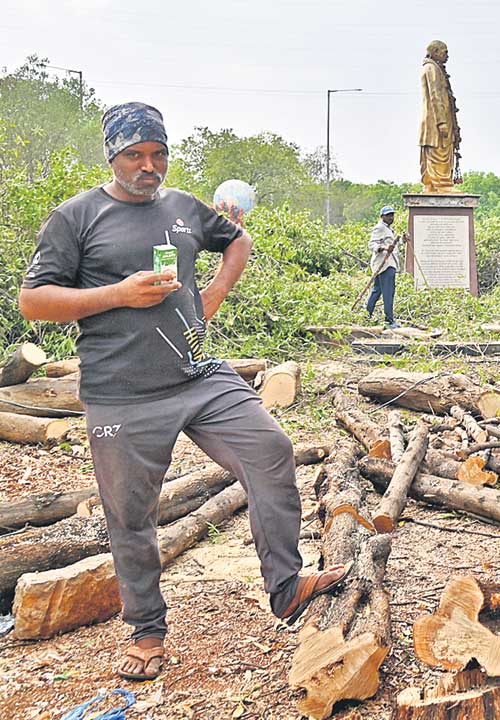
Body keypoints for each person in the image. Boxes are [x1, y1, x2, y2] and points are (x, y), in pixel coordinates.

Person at [18, 102, 348, 681]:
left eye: (158, 155)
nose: (149, 167)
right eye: (135, 156)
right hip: (122, 394)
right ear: (112, 156)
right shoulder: (77, 217)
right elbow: (35, 300)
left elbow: (235, 241)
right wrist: (117, 293)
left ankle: (286, 585)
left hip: (199, 373)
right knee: (131, 515)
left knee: (270, 450)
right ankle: (147, 630)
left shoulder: (183, 208)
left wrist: (213, 294)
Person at [419, 40, 461, 192]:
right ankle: (441, 184)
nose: (447, 56)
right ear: (435, 52)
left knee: (439, 150)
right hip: (436, 121)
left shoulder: (435, 69)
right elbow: (436, 96)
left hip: (437, 120)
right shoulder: (432, 69)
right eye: (445, 52)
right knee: (439, 150)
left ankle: (432, 184)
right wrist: (442, 122)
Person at [367, 205, 401, 328]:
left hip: (389, 263)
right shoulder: (379, 228)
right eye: (388, 215)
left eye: (392, 215)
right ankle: (389, 320)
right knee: (388, 292)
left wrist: (402, 240)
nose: (391, 217)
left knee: (377, 290)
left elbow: (392, 244)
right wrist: (384, 248)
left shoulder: (388, 229)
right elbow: (372, 244)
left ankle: (366, 315)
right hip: (384, 265)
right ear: (382, 217)